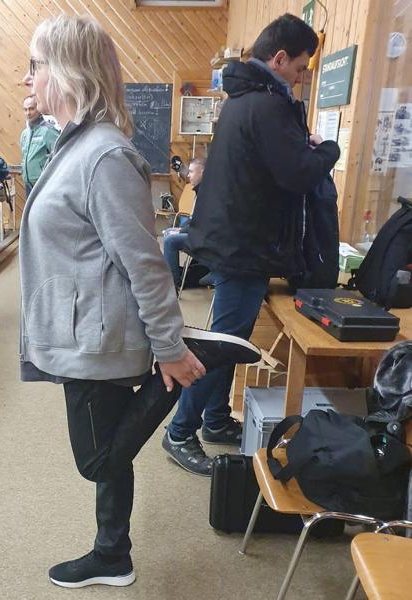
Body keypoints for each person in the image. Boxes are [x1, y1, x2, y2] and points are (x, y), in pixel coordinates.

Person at [20, 14, 258, 589]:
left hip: (95, 336)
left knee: (98, 460)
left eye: (36, 65)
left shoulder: (103, 155)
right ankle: (113, 554)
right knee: (112, 449)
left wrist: (169, 348)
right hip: (83, 324)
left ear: (68, 70)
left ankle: (194, 362)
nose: (27, 78)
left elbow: (144, 262)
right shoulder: (77, 144)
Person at [163, 14, 341, 475]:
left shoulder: (243, 100)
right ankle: (179, 432)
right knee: (223, 345)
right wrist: (329, 149)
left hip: (236, 241)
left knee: (230, 341)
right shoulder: (267, 106)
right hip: (243, 246)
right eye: (299, 67)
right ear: (279, 59)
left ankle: (215, 420)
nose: (300, 77)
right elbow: (298, 174)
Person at [163, 157, 203, 291]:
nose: (188, 175)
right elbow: (195, 219)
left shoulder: (207, 193)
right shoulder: (200, 190)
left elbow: (200, 222)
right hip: (199, 232)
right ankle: (172, 275)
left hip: (206, 238)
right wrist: (180, 229)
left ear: (202, 172)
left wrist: (181, 231)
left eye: (191, 171)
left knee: (170, 241)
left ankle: (174, 283)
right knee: (169, 233)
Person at [19, 94, 59, 197]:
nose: (28, 113)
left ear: (39, 108)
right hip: (28, 185)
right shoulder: (25, 134)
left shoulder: (48, 131)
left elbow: (60, 156)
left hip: (44, 185)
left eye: (31, 109)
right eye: (25, 109)